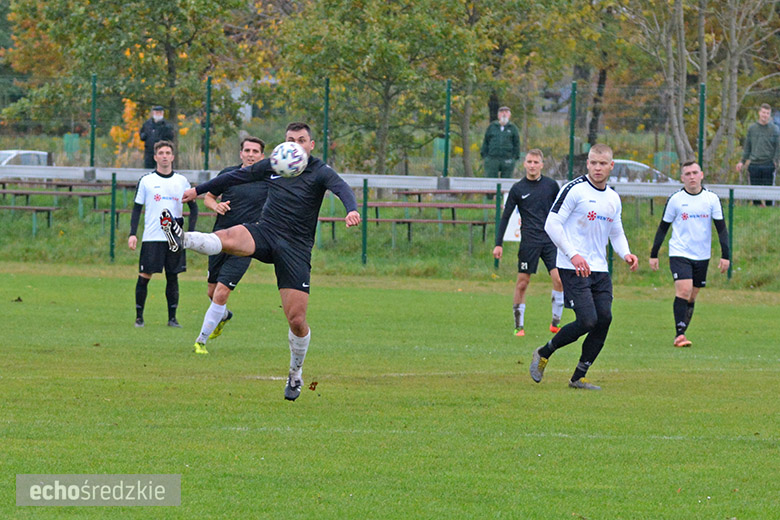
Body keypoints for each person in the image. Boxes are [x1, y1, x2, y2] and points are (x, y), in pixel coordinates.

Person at [160, 122, 361, 401]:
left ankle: (295, 374)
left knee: (297, 320)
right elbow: (233, 178)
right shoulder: (275, 164)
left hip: (295, 249)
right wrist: (198, 190)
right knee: (228, 236)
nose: (295, 145)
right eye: (290, 139)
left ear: (311, 145)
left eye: (301, 140)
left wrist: (351, 210)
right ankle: (179, 238)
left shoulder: (319, 170)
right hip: (265, 231)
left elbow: (342, 188)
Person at [529, 143, 638, 390]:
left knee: (605, 318)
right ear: (587, 163)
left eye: (602, 164)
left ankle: (578, 376)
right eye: (593, 163)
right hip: (572, 266)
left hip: (599, 270)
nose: (597, 168)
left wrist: (626, 253)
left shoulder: (613, 198)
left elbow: (616, 231)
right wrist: (573, 255)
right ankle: (544, 352)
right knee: (588, 320)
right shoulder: (574, 190)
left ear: (611, 166)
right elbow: (552, 224)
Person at [193, 136, 267, 355]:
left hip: (246, 243)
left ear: (262, 156)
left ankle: (201, 341)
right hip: (219, 240)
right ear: (241, 153)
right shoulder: (229, 174)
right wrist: (216, 206)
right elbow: (208, 197)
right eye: (247, 150)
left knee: (222, 292)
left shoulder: (269, 179)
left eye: (255, 151)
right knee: (212, 292)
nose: (251, 154)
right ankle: (223, 315)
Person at [649, 160, 730, 348]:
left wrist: (725, 255)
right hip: (679, 252)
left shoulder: (711, 199)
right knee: (684, 290)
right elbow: (663, 228)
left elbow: (722, 230)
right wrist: (654, 254)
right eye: (687, 174)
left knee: (692, 296)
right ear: (682, 177)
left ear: (701, 175)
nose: (691, 177)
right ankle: (680, 335)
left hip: (702, 256)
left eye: (695, 173)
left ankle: (682, 330)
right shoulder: (676, 200)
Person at [493, 149, 563, 336]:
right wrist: (498, 243)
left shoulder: (551, 185)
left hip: (550, 241)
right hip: (529, 243)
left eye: (536, 162)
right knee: (523, 283)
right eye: (529, 162)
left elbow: (562, 211)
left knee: (559, 279)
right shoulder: (518, 189)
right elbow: (506, 216)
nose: (532, 165)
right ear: (524, 164)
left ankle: (555, 322)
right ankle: (519, 326)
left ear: (542, 165)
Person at [128, 140, 198, 328]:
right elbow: (136, 209)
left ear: (173, 157)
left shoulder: (181, 181)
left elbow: (194, 207)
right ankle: (139, 317)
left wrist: (189, 233)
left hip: (173, 238)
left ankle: (172, 319)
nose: (165, 156)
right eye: (161, 153)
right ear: (155, 157)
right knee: (144, 275)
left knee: (172, 277)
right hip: (152, 237)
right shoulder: (147, 181)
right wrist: (132, 234)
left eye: (168, 152)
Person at [736, 103, 780, 207]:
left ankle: (769, 211)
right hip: (754, 164)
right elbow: (747, 146)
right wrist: (742, 161)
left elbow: (778, 147)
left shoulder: (774, 129)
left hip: (768, 164)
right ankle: (757, 209)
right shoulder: (752, 129)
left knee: (769, 192)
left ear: (769, 115)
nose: (765, 115)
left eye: (767, 113)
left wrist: (775, 161)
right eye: (763, 112)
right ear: (759, 113)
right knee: (754, 192)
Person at [480, 106, 520, 178]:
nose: (504, 114)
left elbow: (516, 144)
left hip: (508, 159)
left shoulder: (513, 128)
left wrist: (514, 158)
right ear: (498, 115)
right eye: (502, 112)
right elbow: (486, 142)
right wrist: (485, 157)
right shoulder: (492, 127)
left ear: (509, 115)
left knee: (506, 183)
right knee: (490, 182)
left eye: (506, 112)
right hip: (492, 159)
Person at [139, 105, 175, 170]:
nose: (158, 114)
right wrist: (143, 135)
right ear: (153, 113)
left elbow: (171, 137)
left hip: (162, 152)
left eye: (160, 112)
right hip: (149, 152)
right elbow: (142, 135)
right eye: (156, 112)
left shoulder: (167, 125)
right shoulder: (147, 124)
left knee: (163, 169)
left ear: (162, 114)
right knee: (148, 170)